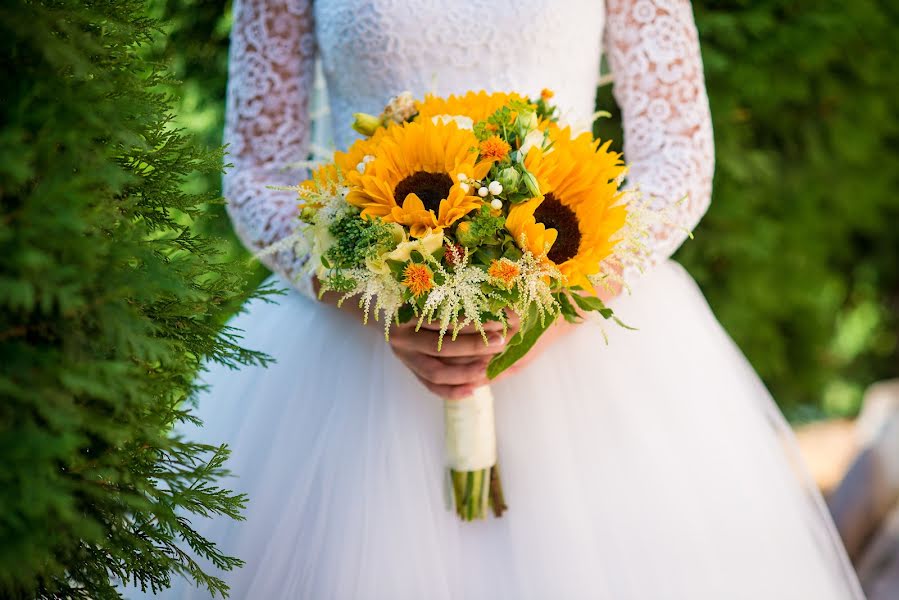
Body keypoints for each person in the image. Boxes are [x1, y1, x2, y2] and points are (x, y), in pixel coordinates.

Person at [154, 1, 864, 597]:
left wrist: (556, 304)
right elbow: (256, 174)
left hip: (582, 337)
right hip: (351, 351)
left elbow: (677, 154)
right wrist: (379, 300)